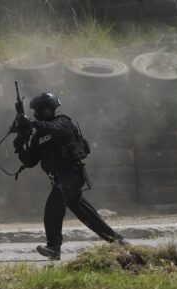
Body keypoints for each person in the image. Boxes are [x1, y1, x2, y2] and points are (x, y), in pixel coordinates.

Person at [12, 93, 127, 260]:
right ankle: (118, 241)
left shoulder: (63, 122)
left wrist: (32, 123)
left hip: (73, 174)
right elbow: (30, 161)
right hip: (59, 179)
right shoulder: (38, 136)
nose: (36, 113)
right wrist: (19, 145)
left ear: (47, 110)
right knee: (88, 215)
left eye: (39, 111)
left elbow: (55, 130)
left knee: (55, 201)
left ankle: (54, 247)